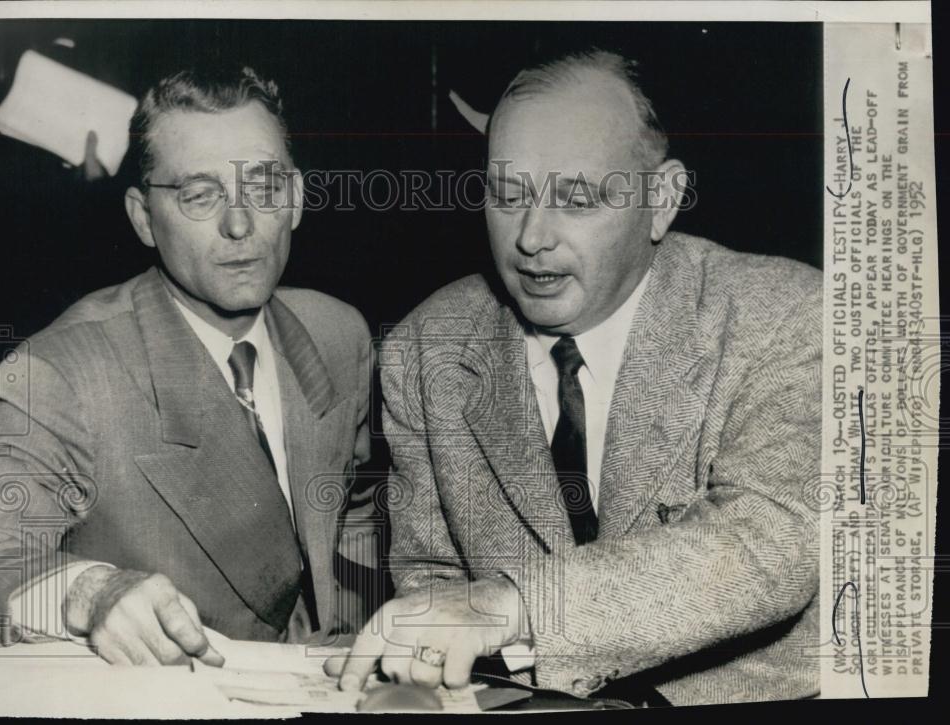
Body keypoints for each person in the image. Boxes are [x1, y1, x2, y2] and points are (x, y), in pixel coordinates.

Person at [330, 49, 821, 705]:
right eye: (507, 194)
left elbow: (769, 545)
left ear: (661, 200)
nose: (532, 237)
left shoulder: (788, 315)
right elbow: (432, 581)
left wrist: (516, 604)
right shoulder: (427, 347)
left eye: (577, 197)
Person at [0, 65, 374, 665]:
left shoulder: (339, 334)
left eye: (263, 187)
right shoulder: (63, 372)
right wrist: (91, 589)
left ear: (294, 199)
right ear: (142, 218)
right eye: (200, 194)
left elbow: (357, 515)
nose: (240, 226)